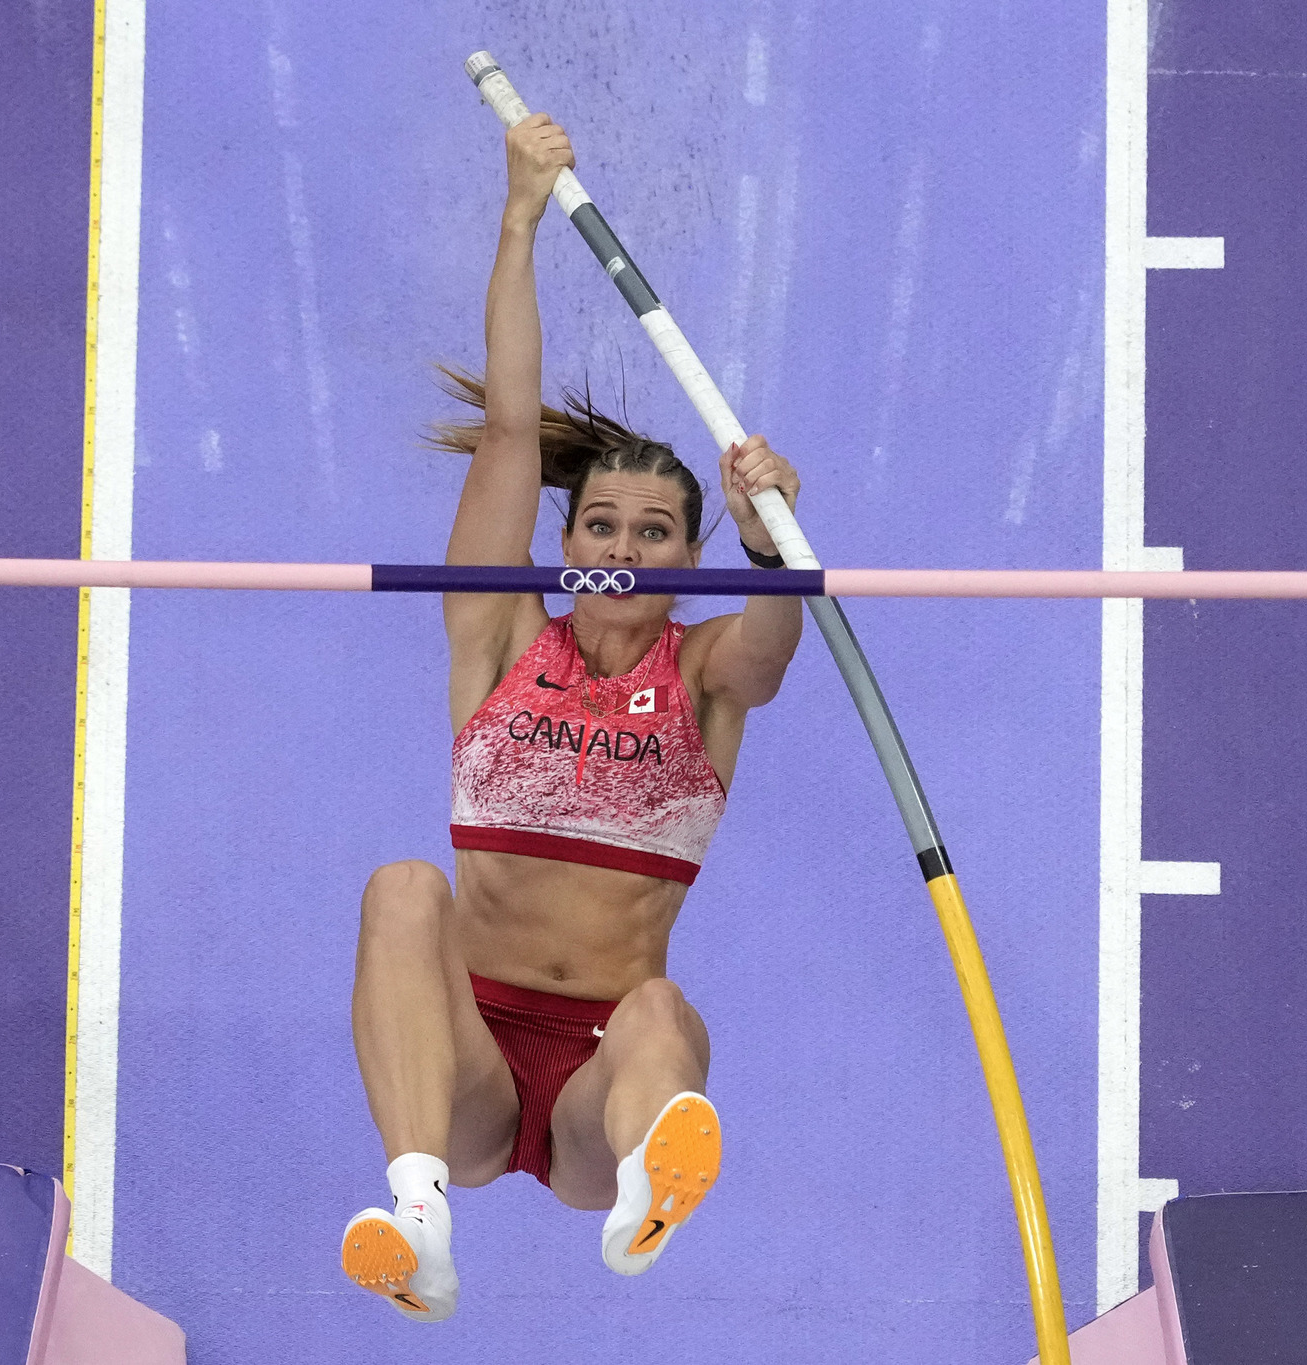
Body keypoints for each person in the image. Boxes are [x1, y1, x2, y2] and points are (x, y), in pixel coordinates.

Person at [339, 110, 803, 1323]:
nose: (622, 544)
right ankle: (418, 1214)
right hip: (471, 1061)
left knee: (661, 1012)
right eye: (601, 524)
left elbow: (766, 654)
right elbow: (507, 429)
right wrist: (517, 216)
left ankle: (649, 1189)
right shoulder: (496, 641)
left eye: (654, 532)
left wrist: (770, 553)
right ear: (567, 542)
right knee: (401, 889)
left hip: (602, 1077)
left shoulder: (703, 675)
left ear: (685, 556)